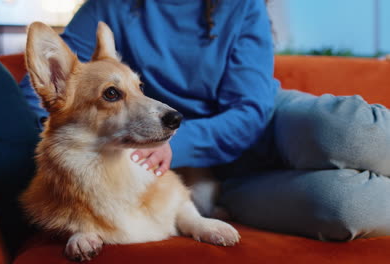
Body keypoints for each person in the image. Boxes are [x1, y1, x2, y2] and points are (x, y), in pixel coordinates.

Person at [19, 0, 390, 241]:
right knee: (345, 208)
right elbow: (45, 96)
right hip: (218, 178)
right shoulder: (110, 6)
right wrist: (68, 154)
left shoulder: (241, 5)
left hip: (267, 125)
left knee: (349, 133)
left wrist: (173, 143)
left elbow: (250, 111)